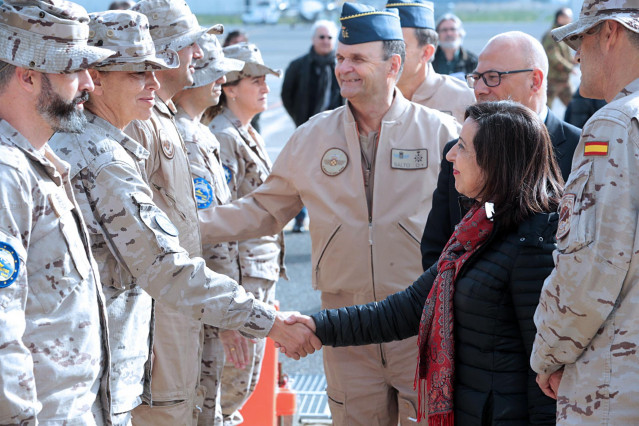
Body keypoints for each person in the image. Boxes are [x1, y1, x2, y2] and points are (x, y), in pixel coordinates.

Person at [198, 3, 460, 424]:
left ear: (394, 64)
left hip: (420, 326)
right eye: (340, 58)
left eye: (357, 58)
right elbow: (264, 210)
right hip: (345, 332)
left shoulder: (441, 133)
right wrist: (186, 229)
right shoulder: (312, 137)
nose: (344, 68)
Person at [49, 13, 305, 426]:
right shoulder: (100, 159)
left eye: (154, 68)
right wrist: (266, 320)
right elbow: (165, 264)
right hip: (103, 365)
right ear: (95, 77)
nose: (153, 82)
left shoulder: (107, 140)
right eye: (137, 71)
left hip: (111, 359)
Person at [287, 100, 563, 425]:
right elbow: (404, 310)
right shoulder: (478, 229)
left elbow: (546, 374)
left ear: (495, 162)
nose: (450, 155)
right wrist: (315, 326)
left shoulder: (534, 243)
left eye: (462, 147)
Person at [122, 1, 318, 424]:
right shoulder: (149, 128)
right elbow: (182, 245)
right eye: (193, 46)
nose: (202, 60)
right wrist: (245, 315)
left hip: (195, 303)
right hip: (173, 311)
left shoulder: (167, 124)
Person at [0, 0, 115, 423]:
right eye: (72, 70)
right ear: (28, 76)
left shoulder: (36, 162)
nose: (89, 83)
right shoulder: (7, 174)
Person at [531, 1, 639, 423]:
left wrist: (548, 353)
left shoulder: (612, 126)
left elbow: (589, 266)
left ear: (610, 33)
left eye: (582, 38)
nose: (575, 55)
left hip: (617, 382)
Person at [420, 31, 581, 270]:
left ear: (535, 81)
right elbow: (436, 249)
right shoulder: (456, 153)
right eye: (476, 77)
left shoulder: (580, 149)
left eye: (493, 77)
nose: (480, 89)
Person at [203, 42, 287, 426]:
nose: (265, 87)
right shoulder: (222, 136)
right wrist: (226, 310)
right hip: (239, 280)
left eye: (266, 80)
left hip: (255, 276)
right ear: (230, 88)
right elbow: (216, 226)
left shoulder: (244, 132)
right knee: (226, 390)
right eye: (255, 81)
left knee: (240, 386)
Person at [172, 33, 245, 425]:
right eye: (213, 74)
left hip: (209, 298)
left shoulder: (199, 132)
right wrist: (226, 313)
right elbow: (206, 235)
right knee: (201, 404)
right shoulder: (186, 137)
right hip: (203, 304)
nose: (221, 82)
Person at [281, 19, 343, 232]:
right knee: (302, 175)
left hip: (337, 132)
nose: (325, 41)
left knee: (335, 174)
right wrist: (300, 119)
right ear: (313, 39)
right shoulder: (299, 65)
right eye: (321, 37)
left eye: (329, 37)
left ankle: (332, 217)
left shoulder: (342, 67)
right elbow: (286, 95)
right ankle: (300, 217)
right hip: (306, 130)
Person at [386, 0, 475, 123]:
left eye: (399, 47)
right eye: (385, 47)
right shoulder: (373, 99)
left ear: (426, 53)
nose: (389, 55)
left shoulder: (464, 98)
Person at [542, 8, 576, 108]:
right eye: (568, 18)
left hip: (564, 80)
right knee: (545, 109)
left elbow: (565, 55)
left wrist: (574, 60)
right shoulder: (551, 36)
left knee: (575, 107)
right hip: (553, 81)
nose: (571, 20)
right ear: (560, 19)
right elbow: (554, 58)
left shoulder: (562, 35)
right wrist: (570, 68)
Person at [432, 13, 477, 79]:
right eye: (444, 30)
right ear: (437, 34)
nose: (449, 33)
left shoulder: (472, 61)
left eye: (453, 29)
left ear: (460, 33)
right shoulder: (430, 59)